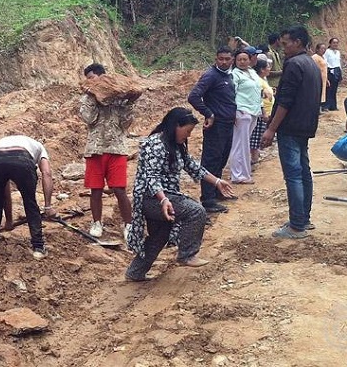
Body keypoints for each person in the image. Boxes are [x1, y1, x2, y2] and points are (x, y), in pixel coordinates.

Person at [124, 108, 234, 281]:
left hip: (164, 197)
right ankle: (187, 254)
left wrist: (218, 182)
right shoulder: (156, 144)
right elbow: (151, 177)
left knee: (160, 235)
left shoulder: (175, 145)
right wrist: (164, 199)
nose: (189, 136)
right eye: (188, 131)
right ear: (176, 126)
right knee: (196, 211)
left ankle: (135, 272)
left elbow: (192, 166)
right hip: (151, 198)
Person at [261, 25, 322, 239]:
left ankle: (296, 225)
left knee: (294, 175)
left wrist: (271, 128)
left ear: (297, 42)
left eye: (286, 44)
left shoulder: (294, 64)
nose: (283, 48)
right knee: (304, 171)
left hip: (291, 127)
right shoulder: (311, 63)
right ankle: (303, 218)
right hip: (305, 126)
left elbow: (285, 101)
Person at [80, 63, 136, 239]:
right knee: (96, 190)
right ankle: (97, 222)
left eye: (91, 77)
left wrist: (128, 104)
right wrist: (92, 97)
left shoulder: (118, 97)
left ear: (101, 77)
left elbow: (126, 123)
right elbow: (88, 119)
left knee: (119, 189)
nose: (89, 81)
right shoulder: (86, 99)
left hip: (116, 149)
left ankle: (129, 224)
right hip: (95, 149)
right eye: (87, 78)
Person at [0, 135, 54, 260]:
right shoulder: (40, 148)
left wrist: (9, 221)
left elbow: (4, 190)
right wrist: (48, 206)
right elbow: (47, 173)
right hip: (21, 158)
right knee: (29, 201)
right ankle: (38, 247)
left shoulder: (3, 141)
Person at [187, 47, 236, 213]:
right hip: (216, 126)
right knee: (211, 161)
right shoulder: (211, 75)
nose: (223, 61)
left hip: (228, 124)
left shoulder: (228, 75)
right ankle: (207, 199)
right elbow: (193, 96)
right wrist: (209, 113)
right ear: (216, 59)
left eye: (227, 59)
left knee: (222, 159)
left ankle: (217, 191)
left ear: (232, 60)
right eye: (220, 58)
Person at [229, 50, 262, 184]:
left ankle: (244, 173)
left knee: (245, 144)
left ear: (250, 60)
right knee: (239, 144)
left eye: (245, 59)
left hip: (253, 111)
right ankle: (238, 175)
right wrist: (235, 110)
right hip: (242, 112)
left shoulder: (252, 72)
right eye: (239, 60)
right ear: (235, 62)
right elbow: (231, 94)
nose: (242, 62)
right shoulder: (234, 75)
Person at [250, 58, 274, 163]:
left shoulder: (263, 80)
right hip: (261, 112)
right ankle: (254, 158)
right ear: (262, 69)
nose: (270, 69)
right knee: (256, 137)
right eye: (268, 67)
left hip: (267, 111)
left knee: (259, 135)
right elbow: (258, 97)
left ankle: (256, 155)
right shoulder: (258, 81)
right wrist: (263, 111)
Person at [324, 37, 342, 111]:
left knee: (334, 89)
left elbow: (339, 63)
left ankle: (333, 106)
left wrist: (340, 73)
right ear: (330, 43)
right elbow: (325, 62)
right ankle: (327, 105)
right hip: (330, 70)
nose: (335, 44)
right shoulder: (327, 52)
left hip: (337, 70)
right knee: (329, 89)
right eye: (334, 43)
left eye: (336, 43)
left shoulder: (338, 52)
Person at [311, 43, 329, 112]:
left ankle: (320, 108)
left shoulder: (322, 57)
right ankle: (316, 109)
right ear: (317, 49)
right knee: (317, 93)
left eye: (324, 49)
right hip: (317, 78)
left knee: (322, 93)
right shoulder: (315, 57)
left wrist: (326, 79)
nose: (323, 50)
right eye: (322, 48)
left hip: (323, 78)